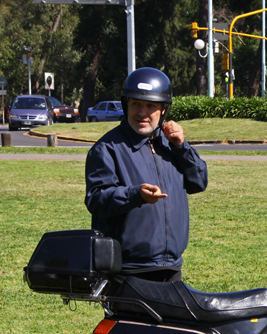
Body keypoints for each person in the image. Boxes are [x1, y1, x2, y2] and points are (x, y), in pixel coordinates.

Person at [85, 67, 208, 283]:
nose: (142, 112)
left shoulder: (170, 144)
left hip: (171, 266)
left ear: (163, 110)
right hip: (127, 271)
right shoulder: (107, 148)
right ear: (126, 105)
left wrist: (182, 147)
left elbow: (199, 182)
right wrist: (135, 195)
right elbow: (96, 199)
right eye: (136, 104)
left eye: (151, 105)